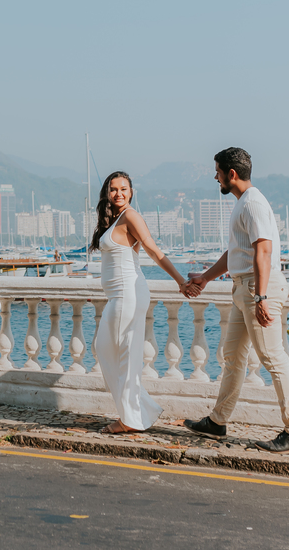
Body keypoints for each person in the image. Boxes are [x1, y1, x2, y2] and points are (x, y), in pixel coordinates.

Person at [184, 147, 289, 454]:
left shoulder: (252, 204)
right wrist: (205, 277)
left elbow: (263, 250)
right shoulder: (243, 205)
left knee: (273, 358)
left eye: (218, 172)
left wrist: (262, 296)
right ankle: (217, 421)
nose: (216, 177)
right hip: (245, 288)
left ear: (232, 174)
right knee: (232, 355)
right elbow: (237, 253)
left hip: (257, 289)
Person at [91, 171, 192, 434]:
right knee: (105, 348)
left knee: (126, 355)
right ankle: (140, 409)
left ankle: (129, 419)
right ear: (107, 192)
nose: (119, 193)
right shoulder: (114, 219)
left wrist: (180, 281)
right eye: (113, 189)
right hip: (118, 295)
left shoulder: (131, 216)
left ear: (131, 191)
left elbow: (154, 251)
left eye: (124, 188)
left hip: (128, 293)